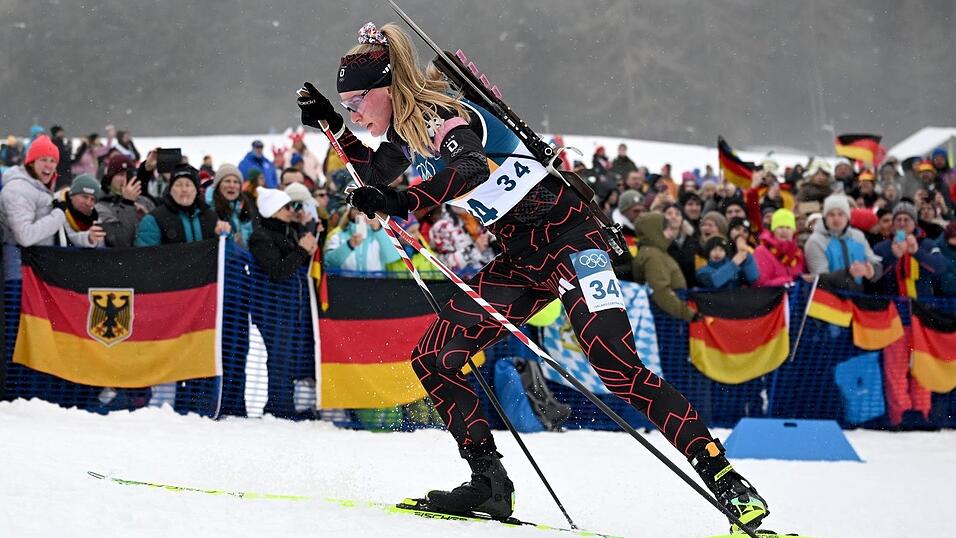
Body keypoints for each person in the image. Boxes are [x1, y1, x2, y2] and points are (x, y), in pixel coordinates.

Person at [295, 22, 770, 530]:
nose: (354, 113)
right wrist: (331, 127)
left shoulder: (440, 113)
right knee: (434, 357)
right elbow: (375, 171)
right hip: (522, 257)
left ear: (385, 89)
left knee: (617, 367)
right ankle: (489, 485)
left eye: (356, 103)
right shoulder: (406, 132)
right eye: (346, 105)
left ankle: (726, 481)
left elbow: (473, 169)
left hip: (574, 241)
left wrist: (401, 201)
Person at [248, 187, 318, 418]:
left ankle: (284, 405)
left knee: (287, 358)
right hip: (271, 309)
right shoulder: (261, 236)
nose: (292, 211)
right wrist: (301, 250)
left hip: (288, 308)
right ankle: (279, 408)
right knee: (279, 359)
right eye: (288, 206)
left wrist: (305, 233)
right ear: (274, 210)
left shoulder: (287, 232)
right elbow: (278, 271)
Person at [1, 135, 104, 279]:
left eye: (52, 161)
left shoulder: (43, 190)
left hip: (40, 272)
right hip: (19, 276)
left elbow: (63, 235)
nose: (49, 165)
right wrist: (58, 214)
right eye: (43, 160)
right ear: (31, 162)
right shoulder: (18, 189)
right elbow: (25, 236)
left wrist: (89, 238)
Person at [803, 194, 881, 291]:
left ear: (847, 217)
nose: (836, 219)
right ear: (824, 218)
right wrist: (849, 274)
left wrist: (871, 272)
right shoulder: (815, 241)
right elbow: (820, 279)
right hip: (829, 298)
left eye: (841, 214)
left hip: (858, 296)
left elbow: (875, 262)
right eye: (831, 214)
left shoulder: (858, 236)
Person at [95, 155, 155, 248]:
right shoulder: (101, 207)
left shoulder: (144, 201)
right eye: (120, 174)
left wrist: (146, 218)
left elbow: (160, 232)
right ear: (110, 178)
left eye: (129, 174)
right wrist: (128, 204)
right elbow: (120, 241)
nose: (125, 179)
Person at [323, 206, 400, 273]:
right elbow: (329, 262)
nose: (361, 211)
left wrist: (378, 228)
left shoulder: (380, 235)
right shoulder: (338, 236)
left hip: (376, 286)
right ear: (349, 212)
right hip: (346, 285)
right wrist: (349, 245)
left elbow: (393, 257)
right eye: (356, 208)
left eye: (367, 208)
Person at [752, 209, 805, 287]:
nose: (784, 231)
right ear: (773, 230)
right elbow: (761, 283)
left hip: (796, 296)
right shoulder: (762, 251)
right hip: (773, 297)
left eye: (788, 228)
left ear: (793, 232)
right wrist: (788, 281)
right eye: (780, 227)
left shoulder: (798, 253)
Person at [53, 174, 107, 247]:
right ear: (71, 195)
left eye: (92, 199)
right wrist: (88, 238)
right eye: (84, 197)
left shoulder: (97, 217)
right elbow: (69, 238)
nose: (88, 203)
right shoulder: (56, 208)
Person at [209, 164, 256, 247]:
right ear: (218, 185)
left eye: (236, 182)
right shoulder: (209, 209)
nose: (232, 185)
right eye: (227, 181)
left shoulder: (244, 206)